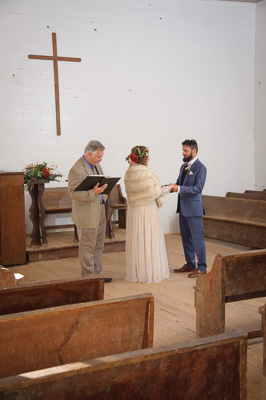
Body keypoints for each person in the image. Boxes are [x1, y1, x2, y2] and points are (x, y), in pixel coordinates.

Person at [124, 145, 174, 283]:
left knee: (138, 239)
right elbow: (155, 192)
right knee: (149, 238)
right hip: (147, 210)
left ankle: (139, 271)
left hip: (134, 210)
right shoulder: (147, 173)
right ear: (145, 157)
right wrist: (168, 188)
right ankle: (151, 271)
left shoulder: (129, 172)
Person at [68, 140, 113, 283]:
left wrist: (104, 191)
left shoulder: (97, 166)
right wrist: (93, 192)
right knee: (88, 247)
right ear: (89, 154)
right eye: (99, 156)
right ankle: (88, 278)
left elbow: (100, 184)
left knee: (99, 245)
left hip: (99, 210)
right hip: (86, 214)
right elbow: (73, 193)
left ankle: (98, 275)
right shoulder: (76, 169)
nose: (101, 159)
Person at [170, 139, 207, 278]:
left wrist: (178, 188)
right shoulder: (183, 167)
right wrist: (166, 188)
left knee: (198, 239)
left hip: (194, 208)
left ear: (194, 151)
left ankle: (202, 267)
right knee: (186, 238)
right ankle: (190, 264)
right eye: (183, 150)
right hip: (183, 208)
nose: (183, 153)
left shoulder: (201, 168)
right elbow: (179, 184)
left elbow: (198, 188)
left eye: (185, 150)